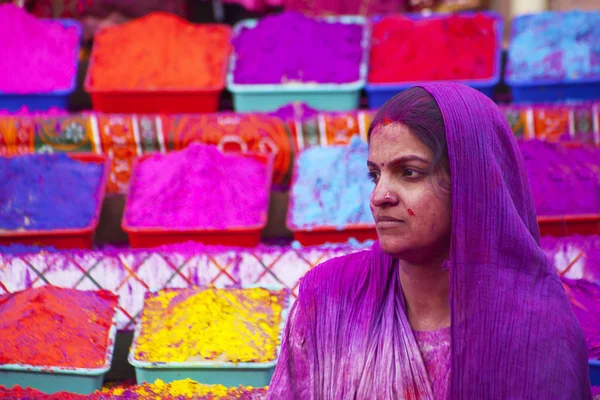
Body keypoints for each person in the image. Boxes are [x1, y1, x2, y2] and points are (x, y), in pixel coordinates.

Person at [267, 83, 592, 399]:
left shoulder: (537, 334)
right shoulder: (328, 300)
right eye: (375, 175)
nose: (379, 196)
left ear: (472, 184)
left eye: (409, 172)